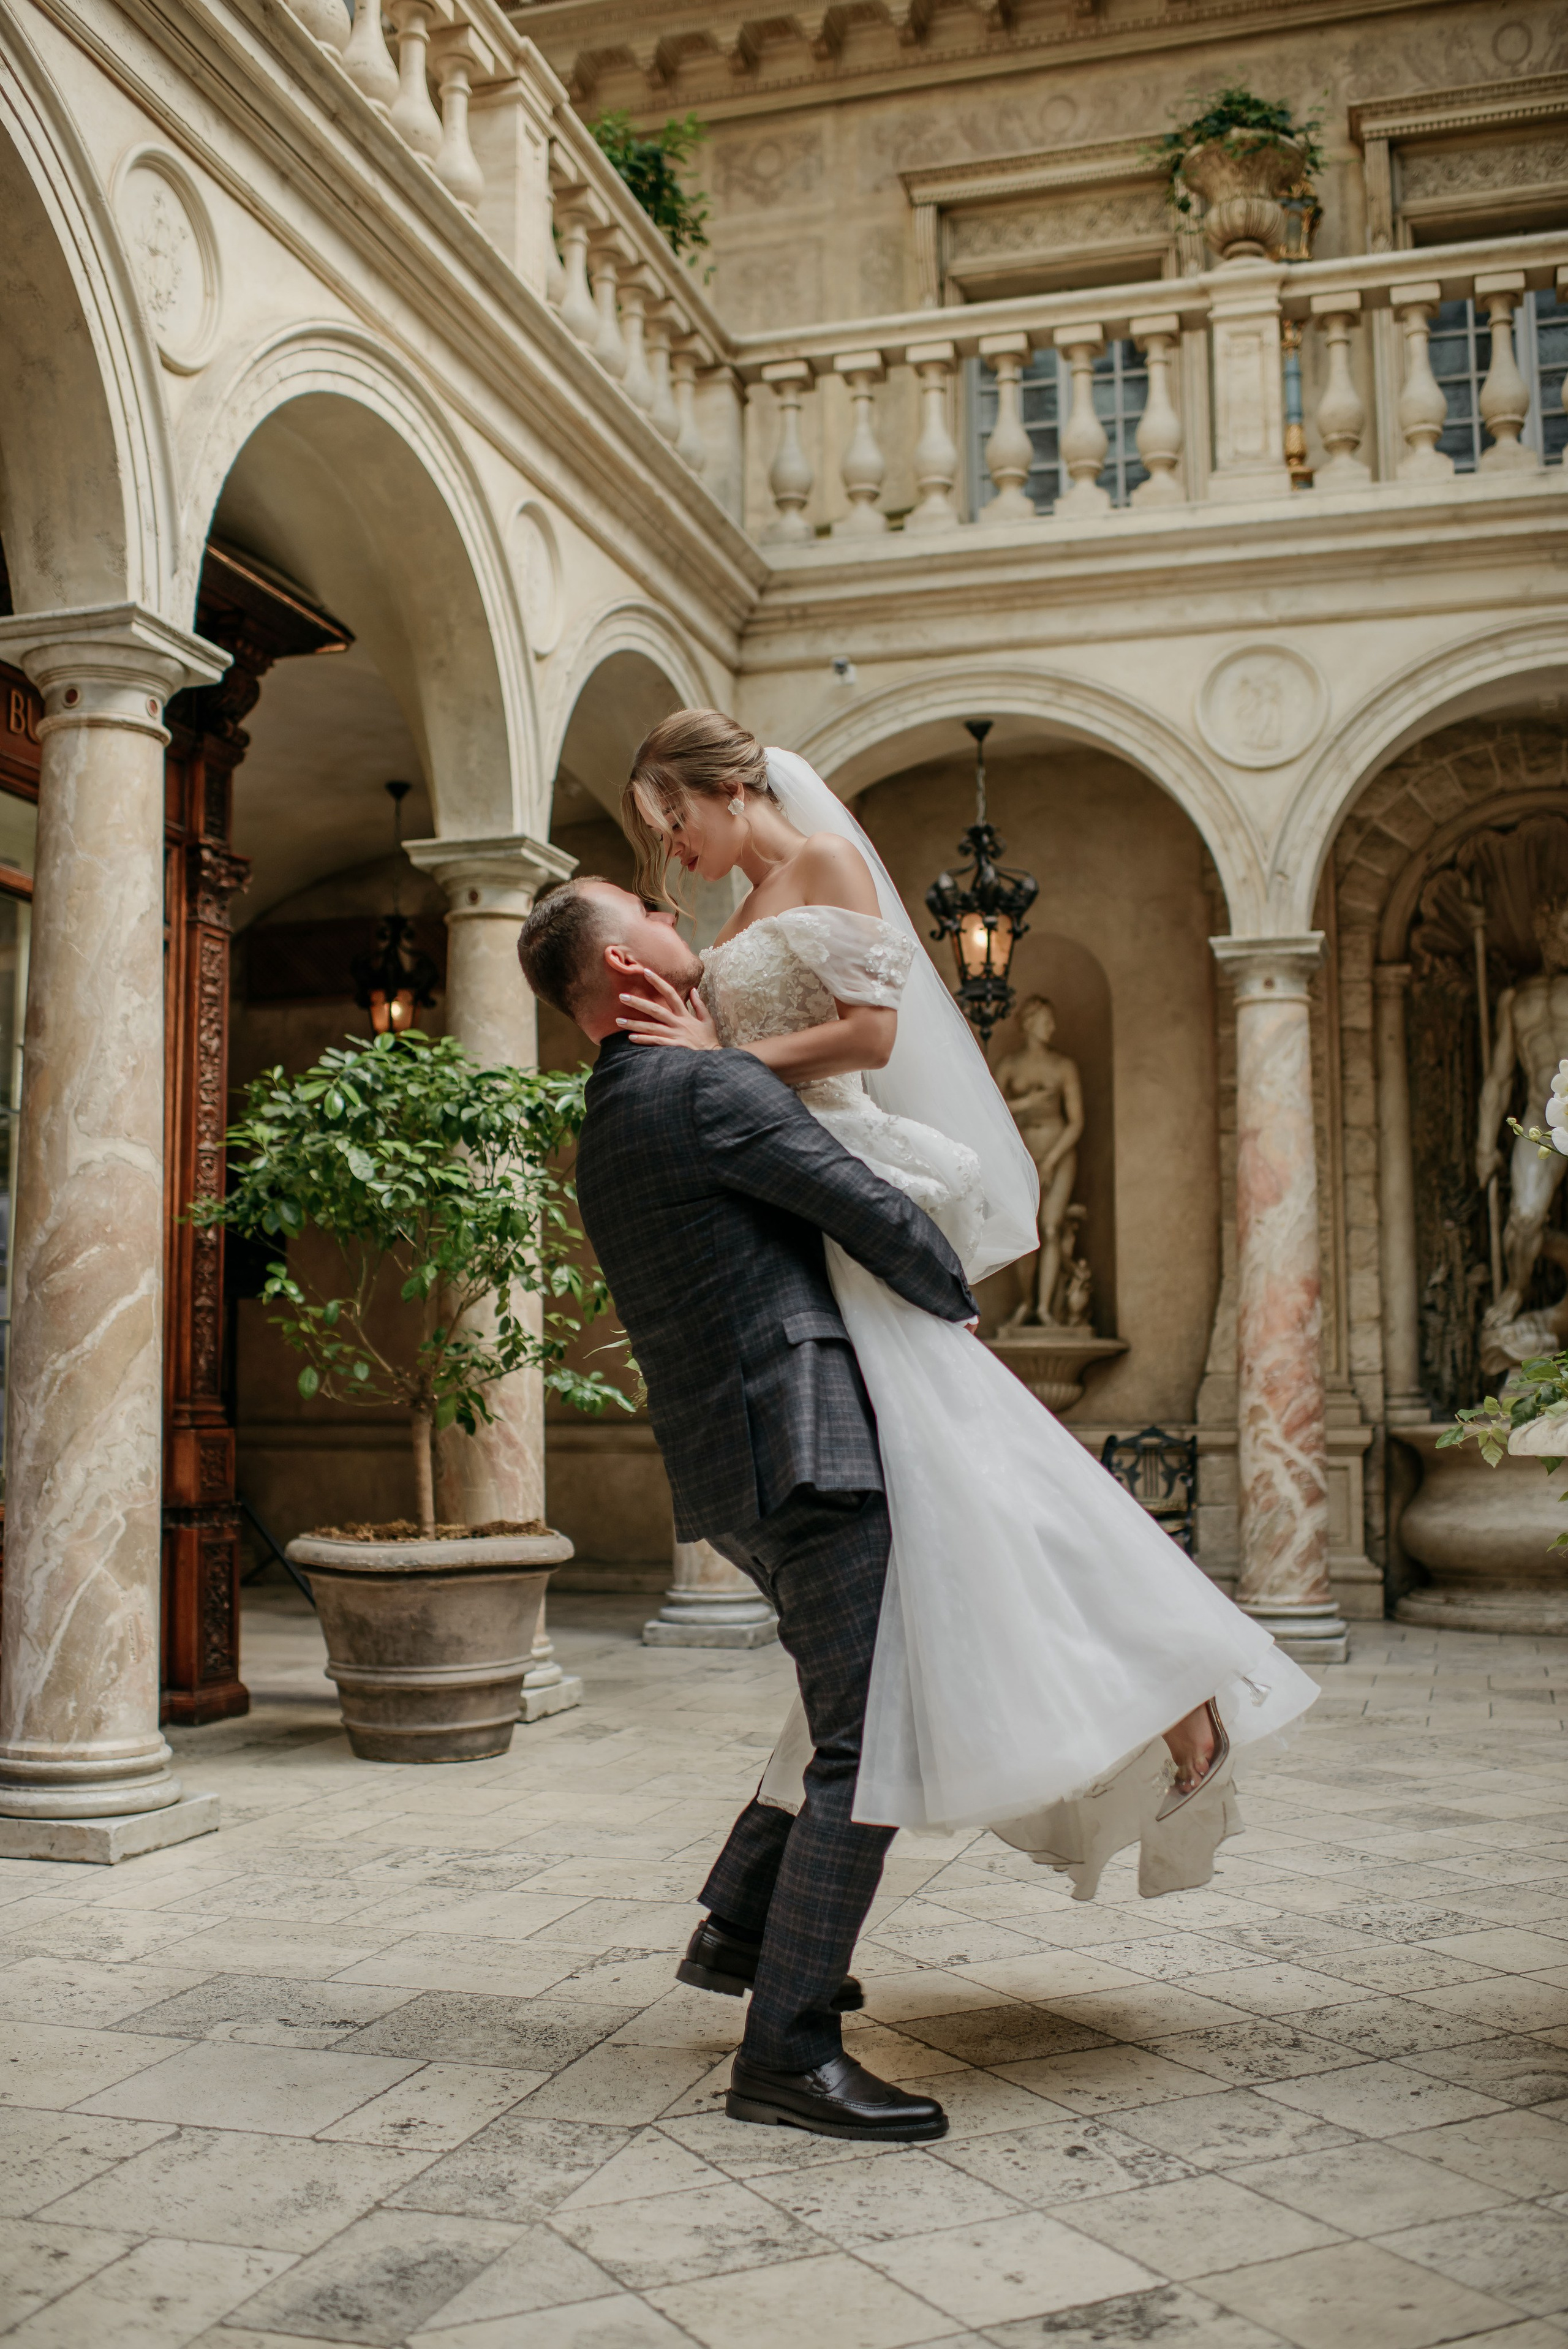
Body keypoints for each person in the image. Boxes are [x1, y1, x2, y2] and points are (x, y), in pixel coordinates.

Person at [518, 869, 973, 2143]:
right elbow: (877, 1214)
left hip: (736, 1469)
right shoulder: (704, 1084)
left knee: (843, 1714)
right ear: (626, 970)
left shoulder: (612, 1109)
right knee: (864, 1739)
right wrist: (953, 1285)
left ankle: (742, 1933)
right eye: (651, 915)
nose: (684, 924)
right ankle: (786, 2051)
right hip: (810, 1447)